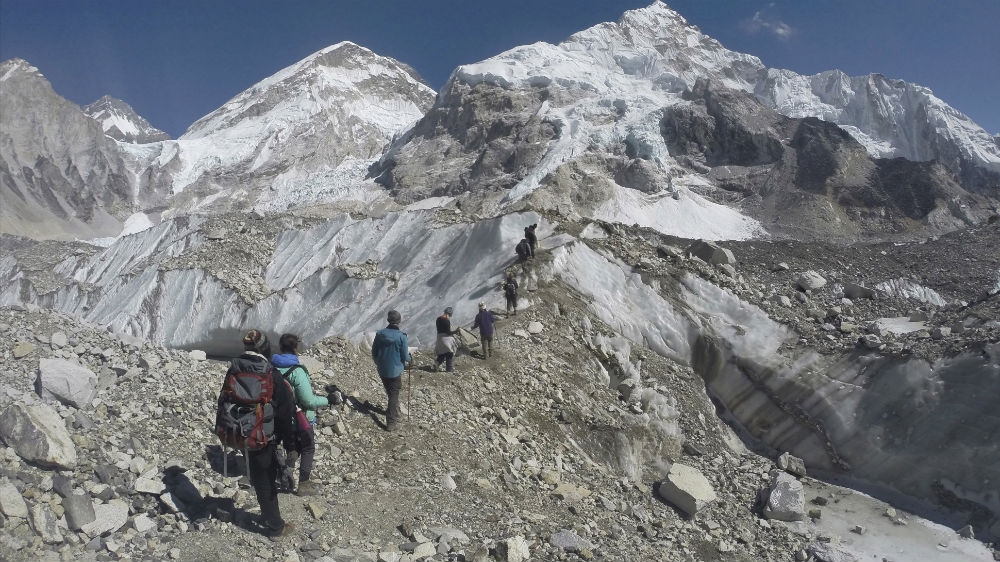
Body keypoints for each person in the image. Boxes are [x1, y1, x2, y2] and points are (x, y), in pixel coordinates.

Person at [218, 329, 295, 538]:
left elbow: (224, 400)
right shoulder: (270, 373)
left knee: (258, 474)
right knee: (266, 480)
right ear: (265, 347)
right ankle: (275, 526)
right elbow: (286, 410)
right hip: (263, 435)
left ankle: (268, 515)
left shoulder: (234, 369)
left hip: (240, 431)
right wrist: (289, 444)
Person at [271, 333, 340, 496]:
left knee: (292, 446)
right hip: (299, 418)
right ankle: (303, 484)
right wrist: (328, 400)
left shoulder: (271, 369)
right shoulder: (297, 372)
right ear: (296, 348)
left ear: (281, 348)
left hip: (279, 418)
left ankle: (283, 474)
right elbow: (308, 400)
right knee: (308, 448)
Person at [371, 310, 411, 432]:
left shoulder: (379, 334)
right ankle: (391, 421)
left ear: (388, 320)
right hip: (395, 370)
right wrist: (410, 359)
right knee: (394, 393)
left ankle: (395, 410)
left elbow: (374, 352)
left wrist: (379, 362)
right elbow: (405, 356)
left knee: (390, 391)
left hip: (382, 369)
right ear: (399, 321)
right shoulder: (401, 336)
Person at [434, 307, 460, 372]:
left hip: (439, 338)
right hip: (446, 340)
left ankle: (437, 363)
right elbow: (448, 332)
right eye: (450, 315)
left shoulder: (438, 319)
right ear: (449, 314)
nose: (450, 317)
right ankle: (449, 369)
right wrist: (456, 331)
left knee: (443, 353)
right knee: (449, 353)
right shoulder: (446, 321)